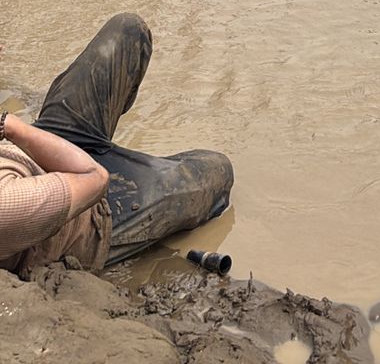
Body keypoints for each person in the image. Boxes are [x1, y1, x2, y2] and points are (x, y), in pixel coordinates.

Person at [0, 14, 233, 277]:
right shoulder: (8, 204)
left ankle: (121, 151)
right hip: (92, 210)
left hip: (34, 147)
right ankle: (141, 183)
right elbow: (95, 178)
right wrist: (9, 125)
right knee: (217, 169)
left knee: (129, 29)